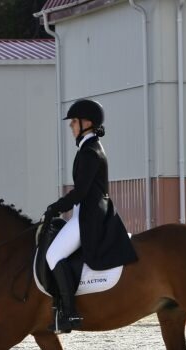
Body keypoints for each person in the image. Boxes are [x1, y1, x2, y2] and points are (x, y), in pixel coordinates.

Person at [44, 99, 138, 333]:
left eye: (74, 122)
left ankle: (70, 314)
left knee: (54, 254)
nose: (71, 126)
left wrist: (56, 206)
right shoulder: (88, 148)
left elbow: (81, 191)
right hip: (85, 212)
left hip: (90, 216)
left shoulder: (90, 152)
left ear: (87, 123)